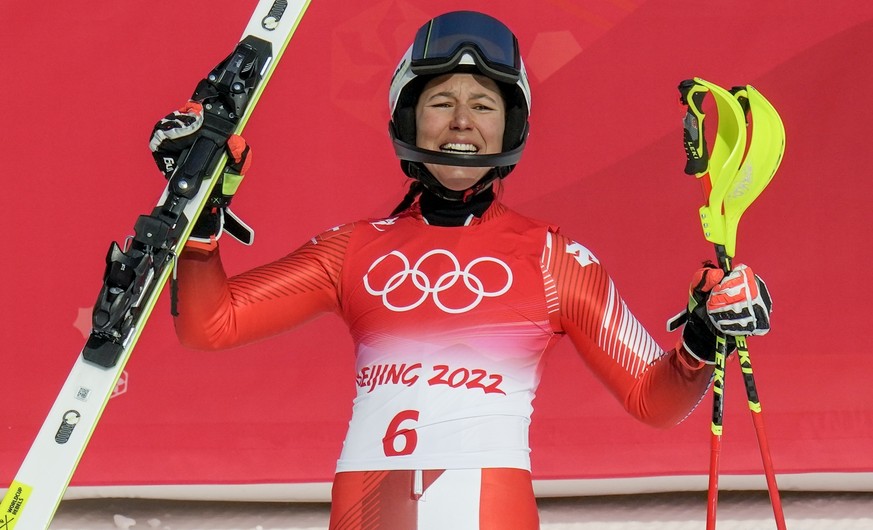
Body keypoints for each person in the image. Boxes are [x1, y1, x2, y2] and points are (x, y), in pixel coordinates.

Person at [150, 10, 772, 530]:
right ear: (408, 117)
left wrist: (699, 342)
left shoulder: (556, 259)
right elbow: (211, 325)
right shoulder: (352, 249)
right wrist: (200, 222)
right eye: (441, 100)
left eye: (483, 104)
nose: (462, 121)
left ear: (511, 124)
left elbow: (652, 400)